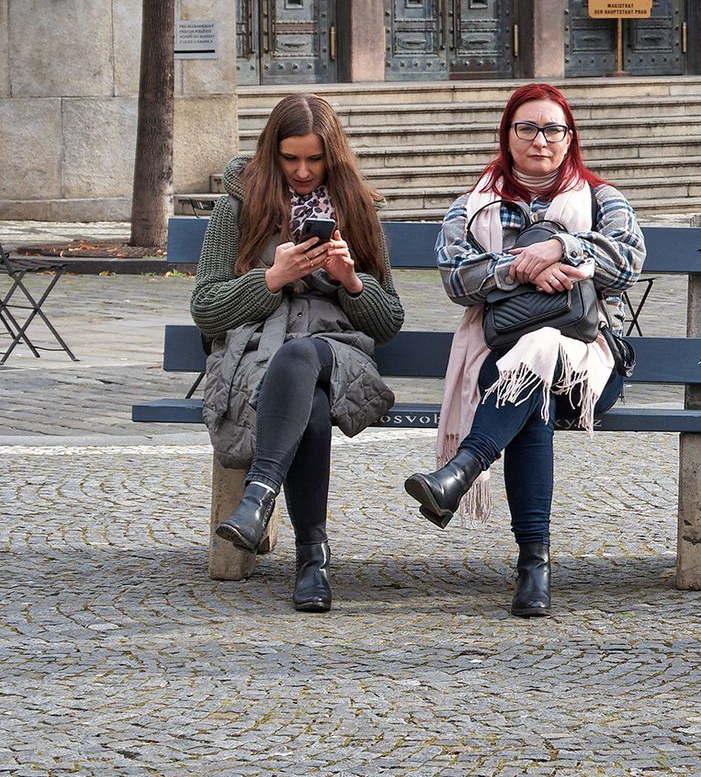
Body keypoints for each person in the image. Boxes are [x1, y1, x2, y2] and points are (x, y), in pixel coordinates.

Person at [407, 84, 645, 619]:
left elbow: (627, 262)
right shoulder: (473, 206)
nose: (540, 140)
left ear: (569, 138)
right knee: (528, 380)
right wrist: (518, 265)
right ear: (507, 134)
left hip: (588, 366)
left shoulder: (602, 199)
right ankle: (534, 566)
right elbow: (455, 277)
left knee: (534, 360)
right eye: (527, 128)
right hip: (505, 368)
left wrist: (562, 246)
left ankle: (462, 473)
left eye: (553, 129)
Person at [195, 94, 403, 613]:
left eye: (315, 159)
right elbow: (205, 306)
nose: (304, 171)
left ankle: (258, 498)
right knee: (301, 390)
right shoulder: (238, 205)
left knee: (304, 358)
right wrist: (272, 279)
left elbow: (390, 321)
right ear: (272, 153)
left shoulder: (356, 207)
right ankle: (313, 560)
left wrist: (350, 281)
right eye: (291, 159)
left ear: (332, 155)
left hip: (340, 352)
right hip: (262, 353)